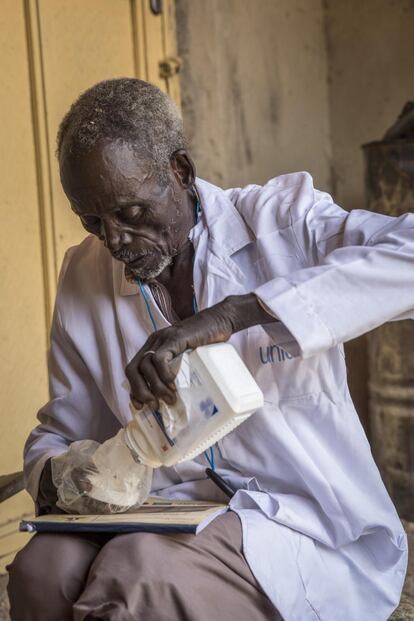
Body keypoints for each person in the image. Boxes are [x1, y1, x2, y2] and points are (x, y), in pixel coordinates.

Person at [7, 78, 412, 621]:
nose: (115, 239)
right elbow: (62, 432)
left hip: (297, 521)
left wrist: (232, 315)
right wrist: (73, 471)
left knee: (139, 576)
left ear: (179, 171)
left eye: (129, 211)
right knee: (41, 572)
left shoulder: (281, 223)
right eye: (92, 220)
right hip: (168, 508)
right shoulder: (84, 274)